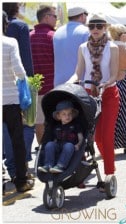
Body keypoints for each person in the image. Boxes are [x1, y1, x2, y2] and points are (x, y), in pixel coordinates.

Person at [68, 14, 120, 188]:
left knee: (106, 136)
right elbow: (78, 72)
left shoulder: (112, 47)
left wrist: (107, 83)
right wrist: (70, 81)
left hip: (108, 93)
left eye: (99, 26)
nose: (95, 29)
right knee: (94, 138)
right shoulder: (83, 47)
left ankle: (109, 172)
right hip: (89, 93)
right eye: (92, 26)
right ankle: (82, 173)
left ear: (105, 27)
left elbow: (114, 74)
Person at [2, 10, 34, 192]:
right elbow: (19, 70)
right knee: (17, 139)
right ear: (6, 24)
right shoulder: (9, 42)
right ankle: (21, 180)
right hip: (10, 99)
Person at [30, 5, 56, 149]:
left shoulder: (29, 36)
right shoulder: (53, 36)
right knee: (56, 119)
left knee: (38, 121)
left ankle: (42, 152)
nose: (56, 20)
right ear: (46, 17)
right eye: (54, 16)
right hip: (53, 86)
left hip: (35, 87)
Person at [108, 23, 126, 154]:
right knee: (125, 113)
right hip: (124, 82)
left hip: (110, 82)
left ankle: (111, 144)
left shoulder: (108, 48)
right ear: (123, 34)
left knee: (112, 114)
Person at [38, 100, 83, 173]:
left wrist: (78, 145)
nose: (67, 116)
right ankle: (48, 165)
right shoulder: (56, 127)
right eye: (64, 114)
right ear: (58, 116)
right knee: (49, 144)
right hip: (59, 145)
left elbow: (81, 138)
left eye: (69, 114)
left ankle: (60, 165)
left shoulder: (75, 125)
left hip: (70, 146)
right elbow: (55, 139)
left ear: (73, 114)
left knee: (68, 146)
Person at [53, 6, 89, 87]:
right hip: (78, 83)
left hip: (59, 82)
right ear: (82, 15)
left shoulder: (57, 31)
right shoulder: (85, 31)